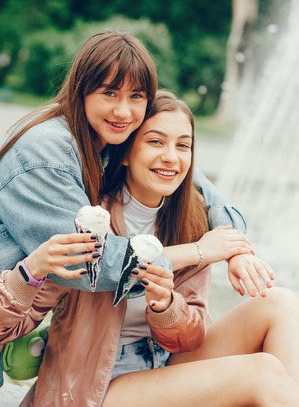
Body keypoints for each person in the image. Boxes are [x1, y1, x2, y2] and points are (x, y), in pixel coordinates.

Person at [1, 89, 299, 406]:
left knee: (279, 302)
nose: (171, 156)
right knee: (261, 373)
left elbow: (190, 337)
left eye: (183, 145)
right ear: (126, 152)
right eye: (156, 141)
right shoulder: (90, 220)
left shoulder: (192, 221)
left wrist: (165, 306)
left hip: (161, 370)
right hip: (93, 386)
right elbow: (9, 328)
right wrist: (29, 273)